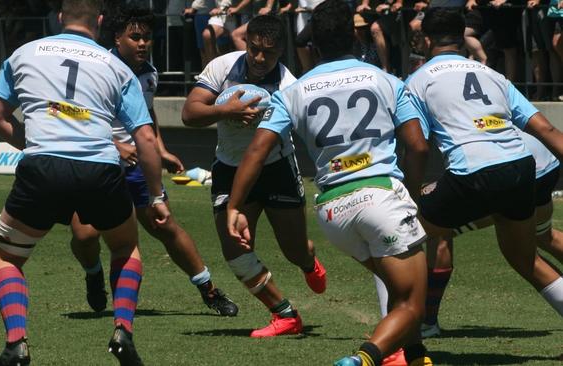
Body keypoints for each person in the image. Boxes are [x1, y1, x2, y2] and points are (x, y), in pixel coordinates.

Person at [226, 1, 433, 365]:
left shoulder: (292, 93)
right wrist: (413, 194)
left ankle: (414, 357)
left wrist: (234, 206)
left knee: (399, 288)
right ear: (354, 37)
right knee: (414, 302)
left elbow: (257, 152)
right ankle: (364, 359)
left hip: (334, 211)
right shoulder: (387, 80)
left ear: (314, 45)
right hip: (381, 197)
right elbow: (417, 145)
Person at [0, 0, 169, 365]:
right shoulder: (116, 66)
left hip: (41, 167)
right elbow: (145, 139)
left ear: (58, 19)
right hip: (99, 170)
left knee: (8, 256)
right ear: (99, 22)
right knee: (125, 248)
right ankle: (122, 331)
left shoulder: (24, 53)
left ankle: (17, 342)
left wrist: (35, 143)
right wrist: (157, 195)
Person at [70, 5, 238, 317]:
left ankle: (209, 290)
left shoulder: (149, 73)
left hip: (136, 166)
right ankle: (93, 273)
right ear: (117, 38)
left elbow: (146, 115)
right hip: (95, 161)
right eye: (135, 37)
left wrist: (160, 149)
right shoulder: (96, 68)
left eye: (147, 37)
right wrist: (115, 143)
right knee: (85, 235)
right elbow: (74, 115)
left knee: (165, 225)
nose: (143, 43)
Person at [406, 7, 563, 328]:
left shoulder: (417, 81)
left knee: (400, 234)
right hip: (521, 169)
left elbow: (418, 146)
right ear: (463, 36)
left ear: (424, 39)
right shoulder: (493, 75)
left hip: (473, 174)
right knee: (526, 258)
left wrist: (410, 194)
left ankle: (409, 324)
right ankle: (420, 322)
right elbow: (546, 130)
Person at [182, 14, 327, 338]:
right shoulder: (221, 68)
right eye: (255, 50)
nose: (261, 59)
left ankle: (308, 261)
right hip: (229, 166)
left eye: (270, 53)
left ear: (281, 53)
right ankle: (284, 313)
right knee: (234, 247)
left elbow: (261, 150)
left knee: (294, 250)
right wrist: (225, 111)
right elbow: (190, 113)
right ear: (246, 43)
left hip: (275, 168)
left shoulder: (289, 86)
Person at [417, 130, 563, 338]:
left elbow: (417, 145)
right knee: (542, 236)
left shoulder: (423, 98)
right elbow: (544, 126)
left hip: (503, 164)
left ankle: (427, 323)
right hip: (540, 159)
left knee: (439, 231)